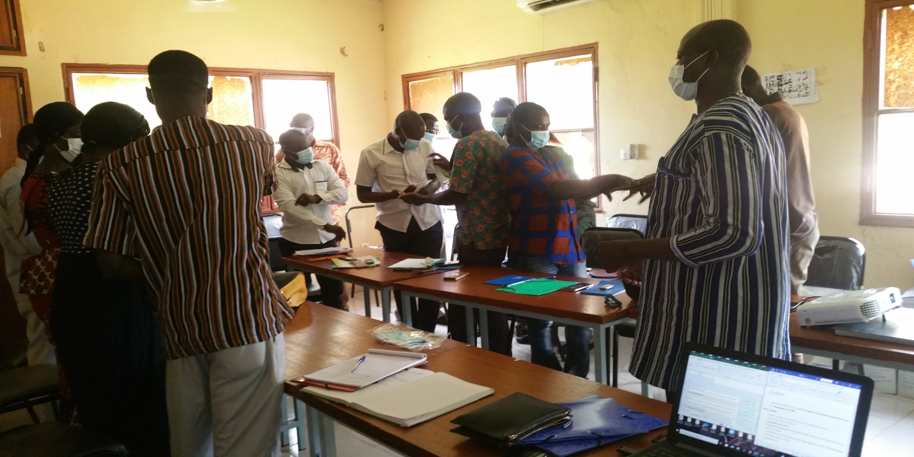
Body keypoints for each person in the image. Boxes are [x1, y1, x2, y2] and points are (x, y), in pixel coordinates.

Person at [85, 50, 291, 457]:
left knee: (191, 442)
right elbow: (262, 196)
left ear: (149, 94)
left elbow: (110, 263)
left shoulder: (119, 164)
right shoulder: (252, 143)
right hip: (245, 316)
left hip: (179, 324)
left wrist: (176, 272)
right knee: (247, 445)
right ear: (209, 92)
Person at [599, 20, 790, 401]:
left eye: (682, 58)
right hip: (725, 305)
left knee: (702, 429)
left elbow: (734, 232)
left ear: (709, 60)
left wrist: (635, 249)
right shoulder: (750, 115)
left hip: (717, 315)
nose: (677, 68)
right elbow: (707, 196)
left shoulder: (721, 125)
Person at [48, 102, 169, 456]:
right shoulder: (112, 176)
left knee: (98, 404)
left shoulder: (63, 179)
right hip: (115, 297)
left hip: (71, 289)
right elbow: (119, 256)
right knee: (141, 398)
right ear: (130, 142)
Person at [500, 102, 631, 378]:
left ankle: (576, 377)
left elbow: (576, 189)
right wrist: (604, 179)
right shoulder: (514, 156)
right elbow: (557, 189)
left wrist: (595, 186)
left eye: (547, 126)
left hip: (571, 248)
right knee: (541, 322)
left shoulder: (555, 155)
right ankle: (548, 378)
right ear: (520, 127)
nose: (544, 131)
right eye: (538, 126)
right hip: (536, 250)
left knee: (580, 318)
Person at [401, 93, 512, 355]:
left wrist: (422, 199)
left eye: (449, 119)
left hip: (476, 234)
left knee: (464, 298)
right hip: (498, 230)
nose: (449, 125)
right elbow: (483, 180)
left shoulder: (467, 144)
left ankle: (464, 354)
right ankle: (499, 354)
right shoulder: (495, 140)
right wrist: (452, 168)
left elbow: (459, 193)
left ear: (461, 117)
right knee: (492, 296)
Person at [21, 101, 85, 423]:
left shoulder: (44, 176)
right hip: (58, 275)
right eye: (76, 135)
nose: (82, 143)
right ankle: (73, 429)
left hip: (52, 270)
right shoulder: (49, 182)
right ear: (54, 137)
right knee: (74, 360)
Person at [355, 110, 442, 332]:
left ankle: (429, 332)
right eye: (412, 138)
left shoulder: (424, 146)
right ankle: (409, 332)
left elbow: (435, 178)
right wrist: (394, 195)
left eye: (420, 137)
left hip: (428, 221)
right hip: (394, 225)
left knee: (430, 279)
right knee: (402, 282)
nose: (417, 142)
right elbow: (363, 194)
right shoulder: (371, 153)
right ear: (397, 131)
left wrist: (426, 195)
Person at [742, 64, 819, 295]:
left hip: (789, 229)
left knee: (779, 310)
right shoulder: (785, 110)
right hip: (798, 222)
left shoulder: (768, 115)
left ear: (741, 89)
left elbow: (743, 169)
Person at [274, 128, 349, 309]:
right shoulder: (278, 174)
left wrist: (318, 198)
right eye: (302, 148)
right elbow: (290, 206)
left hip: (326, 242)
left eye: (308, 145)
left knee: (334, 293)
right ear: (287, 151)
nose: (308, 150)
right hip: (296, 241)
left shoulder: (322, 166)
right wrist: (325, 225)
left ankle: (336, 335)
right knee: (299, 297)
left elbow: (342, 194)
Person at [0, 125, 54, 368]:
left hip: (36, 274)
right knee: (43, 346)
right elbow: (28, 238)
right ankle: (44, 405)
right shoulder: (15, 184)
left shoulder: (25, 180)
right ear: (27, 149)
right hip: (31, 275)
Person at [275, 113, 351, 226]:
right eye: (293, 127)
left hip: (329, 215)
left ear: (312, 128)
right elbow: (279, 184)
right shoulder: (283, 152)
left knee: (331, 242)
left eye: (301, 126)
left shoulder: (329, 149)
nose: (297, 130)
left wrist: (321, 197)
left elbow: (343, 178)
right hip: (298, 219)